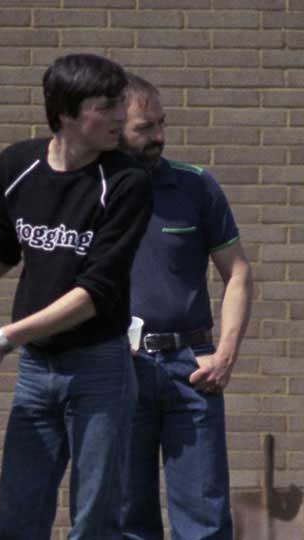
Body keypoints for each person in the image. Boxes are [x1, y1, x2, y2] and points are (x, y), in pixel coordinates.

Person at [0, 53, 153, 539]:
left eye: (121, 102)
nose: (122, 115)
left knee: (95, 517)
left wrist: (3, 339)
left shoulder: (127, 182)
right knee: (18, 514)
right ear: (66, 115)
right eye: (108, 105)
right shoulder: (17, 164)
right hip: (39, 370)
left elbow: (93, 294)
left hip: (101, 367)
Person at [119, 73, 253, 540]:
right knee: (125, 518)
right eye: (144, 127)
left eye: (162, 124)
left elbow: (237, 272)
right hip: (120, 369)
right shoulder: (88, 192)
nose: (158, 136)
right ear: (114, 126)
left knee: (204, 518)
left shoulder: (196, 187)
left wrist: (226, 355)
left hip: (191, 367)